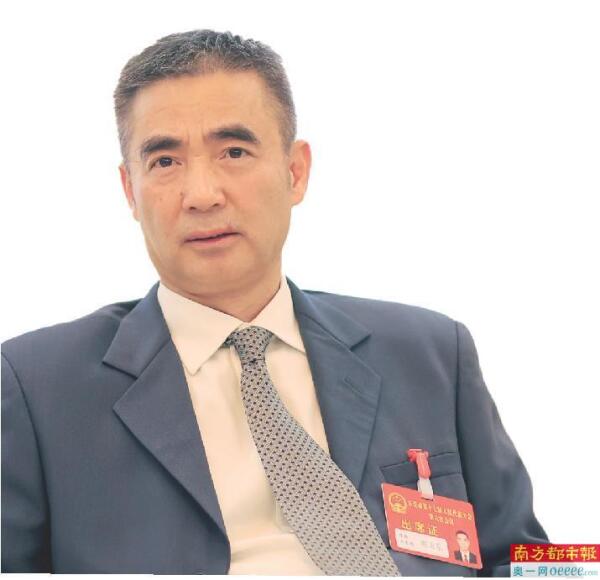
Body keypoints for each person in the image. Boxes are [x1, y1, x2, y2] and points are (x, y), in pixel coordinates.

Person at [1, 29, 547, 576]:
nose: (202, 194)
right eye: (165, 162)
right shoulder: (36, 386)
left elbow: (529, 558)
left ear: (295, 171)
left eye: (234, 152)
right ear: (130, 191)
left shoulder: (432, 352)